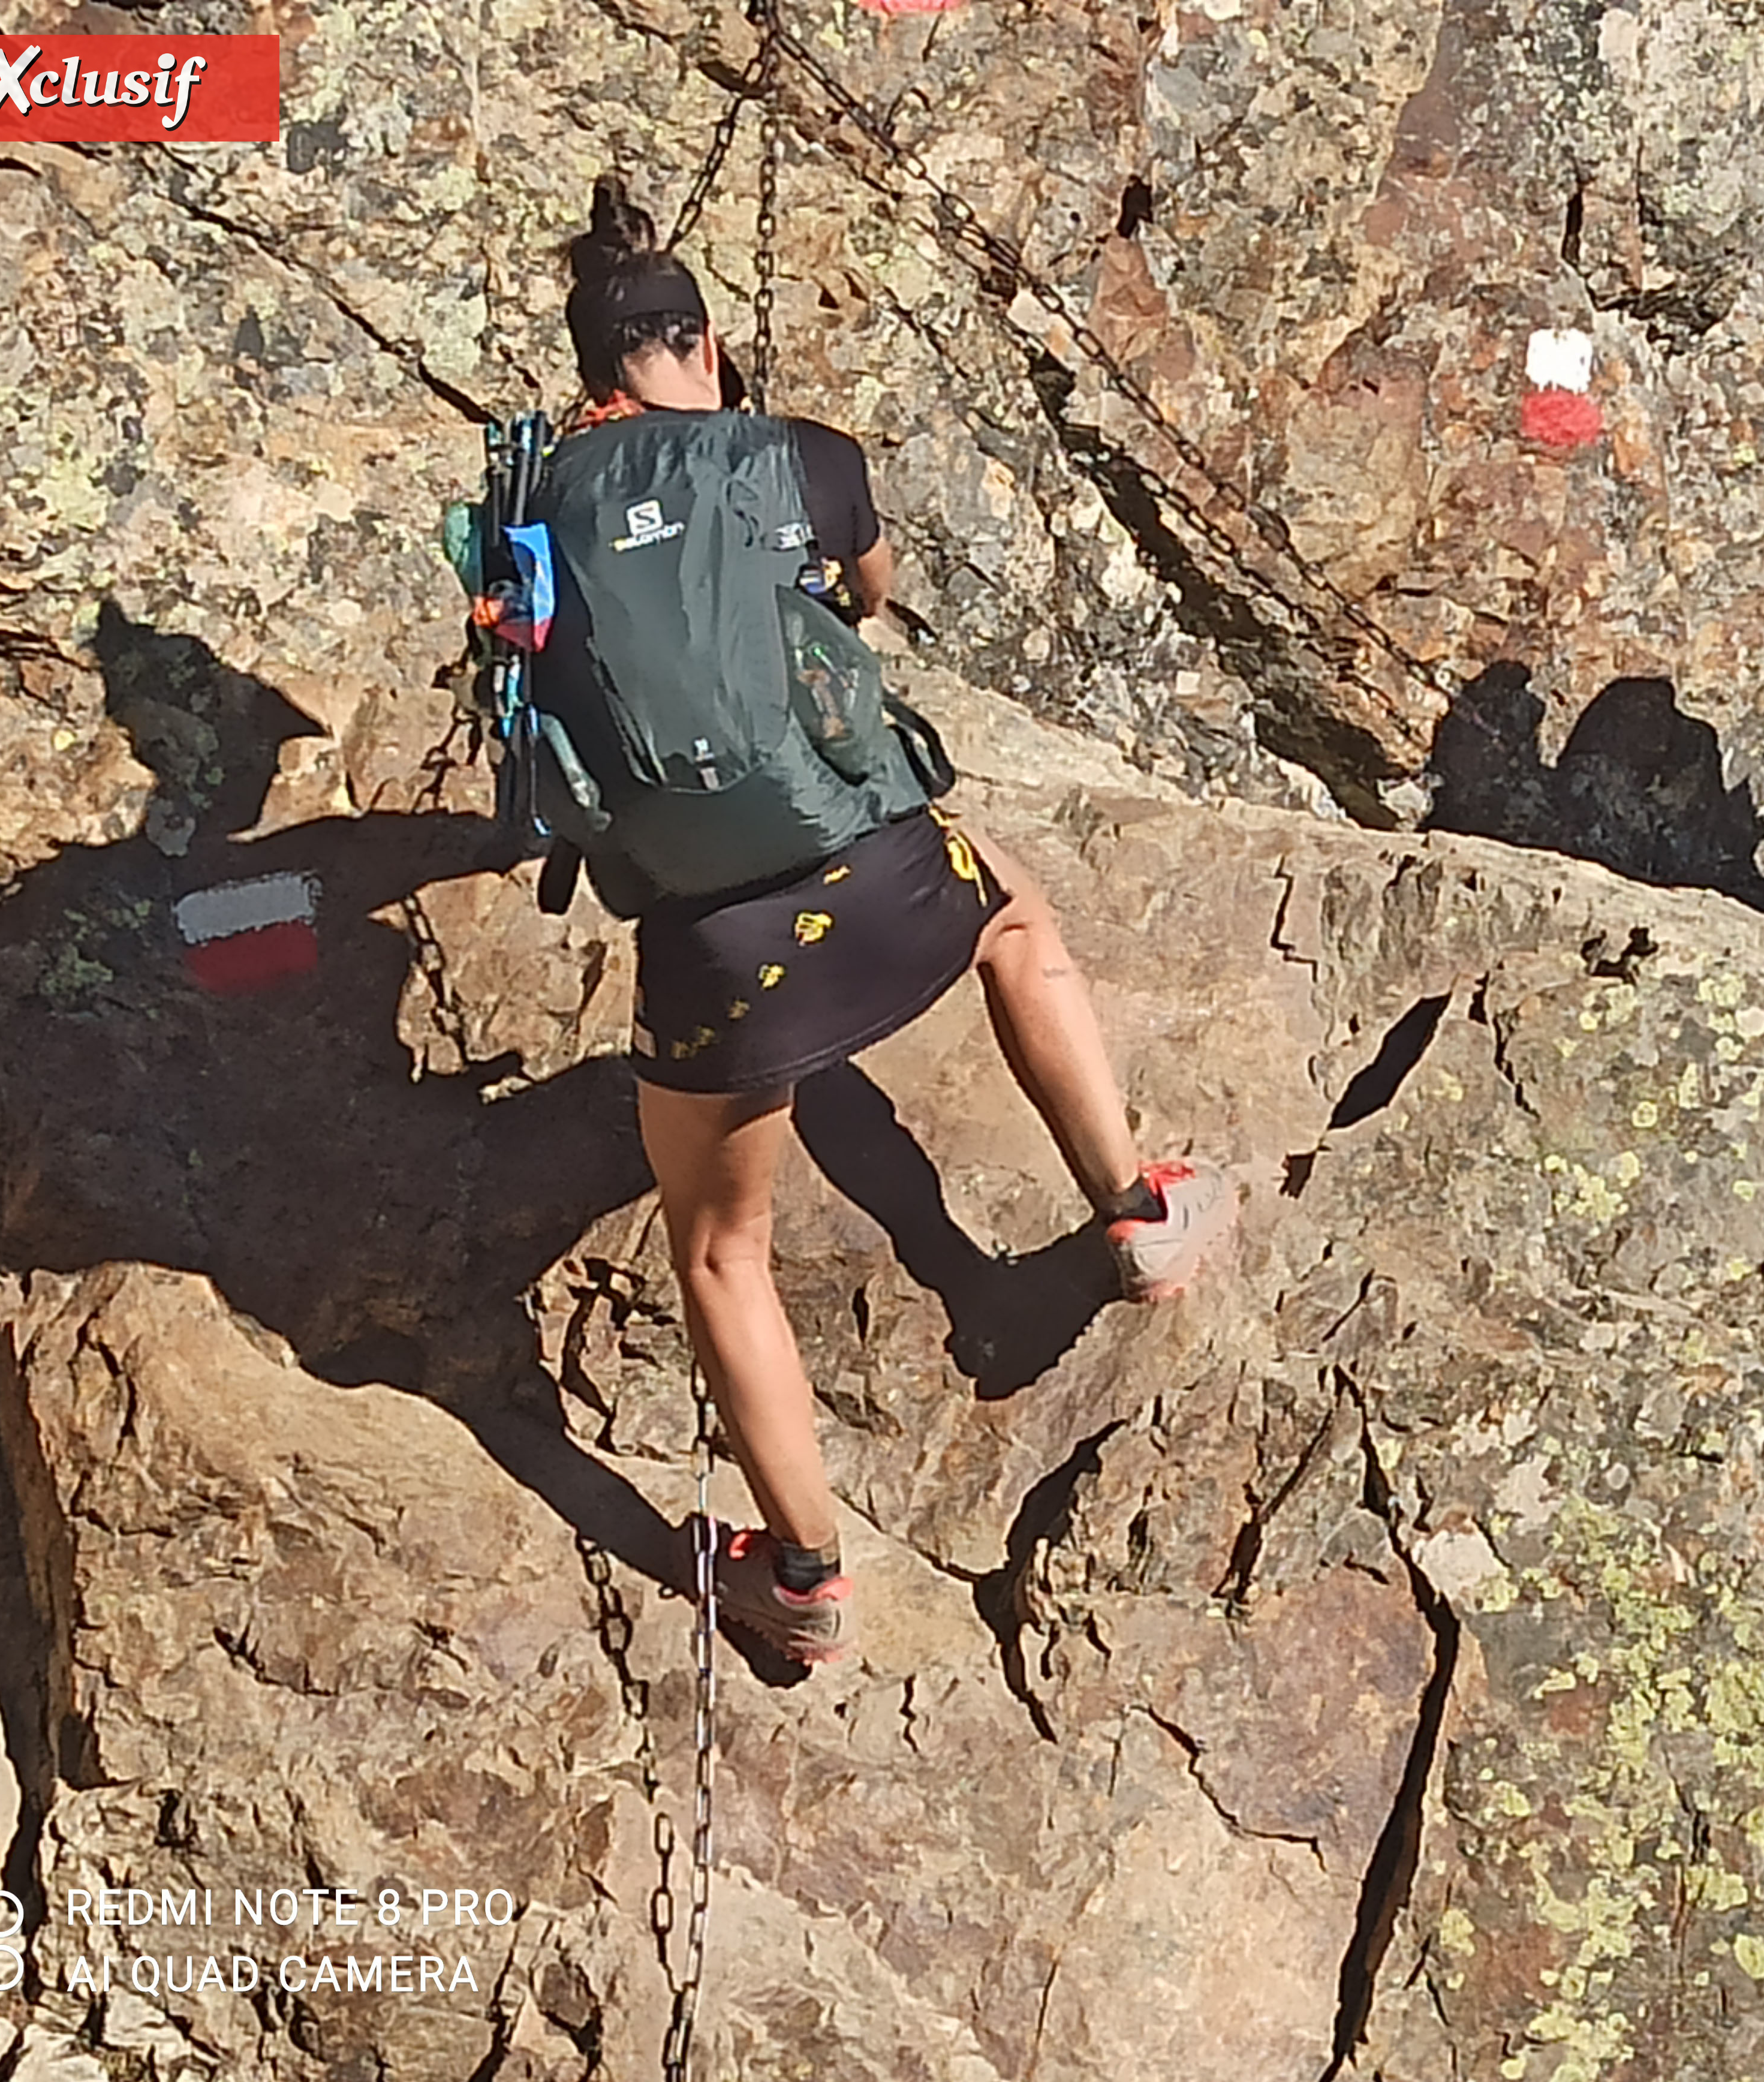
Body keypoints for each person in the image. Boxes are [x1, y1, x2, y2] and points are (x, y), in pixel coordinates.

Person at [540, 178, 1235, 1665]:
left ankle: (802, 1580)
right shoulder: (792, 455)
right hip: (883, 876)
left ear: (592, 372)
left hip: (708, 948)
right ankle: (1138, 1211)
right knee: (1019, 926)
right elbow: (872, 587)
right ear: (706, 344)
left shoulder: (533, 499)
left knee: (722, 1252)